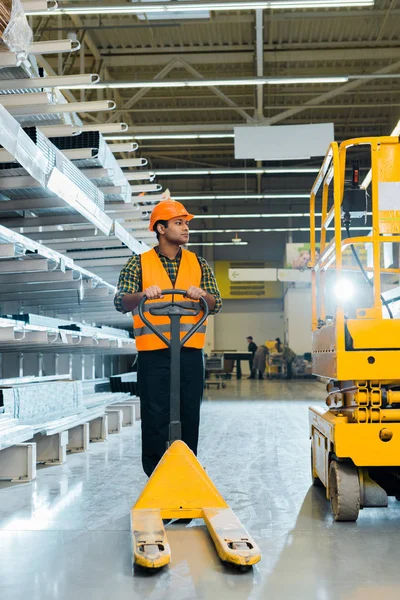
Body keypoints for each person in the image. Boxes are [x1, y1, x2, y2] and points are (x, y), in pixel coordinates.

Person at [114, 196, 222, 477]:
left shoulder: (199, 264)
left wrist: (204, 296)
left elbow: (216, 303)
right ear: (161, 229)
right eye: (178, 223)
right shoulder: (138, 264)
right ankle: (156, 477)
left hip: (189, 354)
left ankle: (186, 476)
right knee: (154, 416)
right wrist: (142, 295)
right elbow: (121, 301)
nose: (185, 228)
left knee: (189, 416)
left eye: (186, 223)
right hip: (153, 355)